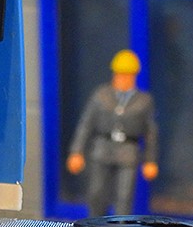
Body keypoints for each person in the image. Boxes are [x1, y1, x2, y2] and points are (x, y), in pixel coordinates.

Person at [67, 50, 158, 217]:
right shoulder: (101, 95)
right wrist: (76, 151)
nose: (123, 79)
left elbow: (150, 132)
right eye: (120, 75)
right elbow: (86, 124)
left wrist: (150, 160)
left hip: (128, 152)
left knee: (124, 197)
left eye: (128, 76)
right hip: (102, 148)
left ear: (134, 77)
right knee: (96, 193)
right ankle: (95, 226)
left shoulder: (143, 101)